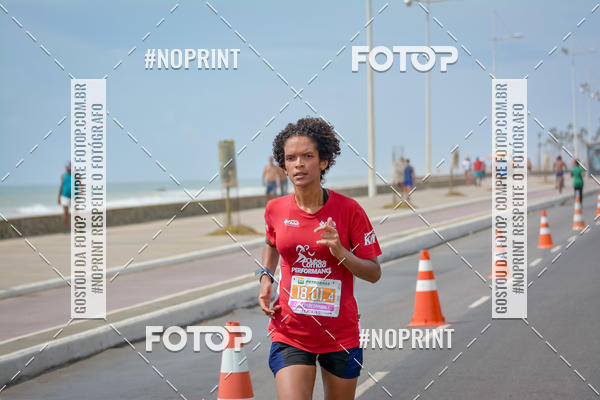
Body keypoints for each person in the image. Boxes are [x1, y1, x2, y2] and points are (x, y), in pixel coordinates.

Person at [258, 117, 382, 400]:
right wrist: (266, 278)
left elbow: (374, 273)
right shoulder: (275, 209)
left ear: (324, 161)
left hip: (340, 335)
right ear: (284, 166)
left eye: (307, 156)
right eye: (291, 158)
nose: (298, 164)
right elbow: (272, 243)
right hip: (290, 332)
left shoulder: (349, 210)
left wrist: (341, 253)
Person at [57, 161, 71, 228]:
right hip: (65, 196)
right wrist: (59, 197)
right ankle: (66, 227)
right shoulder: (63, 175)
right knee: (66, 213)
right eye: (67, 167)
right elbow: (61, 186)